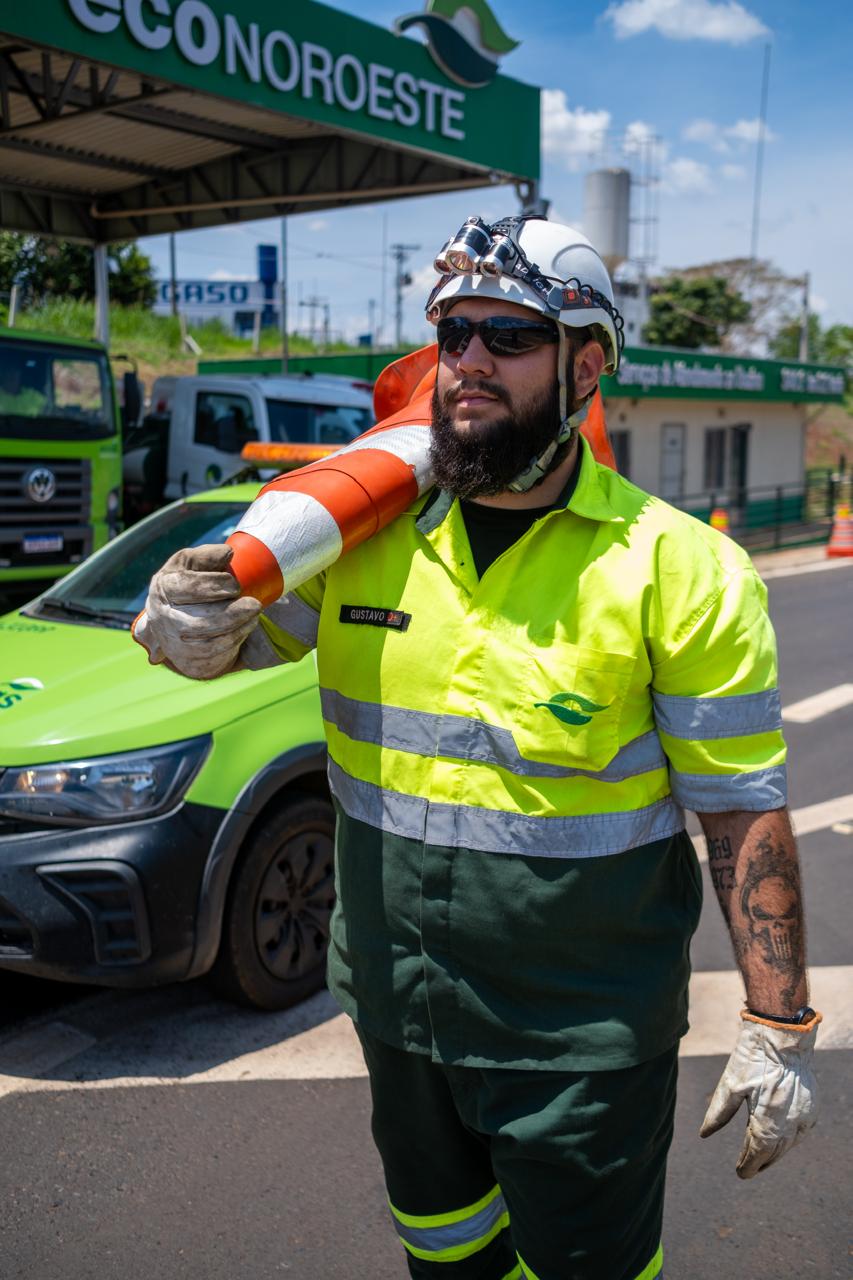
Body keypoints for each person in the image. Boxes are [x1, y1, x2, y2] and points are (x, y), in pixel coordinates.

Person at [139, 216, 820, 1280]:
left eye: (508, 334)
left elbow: (738, 809)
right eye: (452, 332)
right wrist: (191, 624)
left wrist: (779, 1018)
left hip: (579, 1039)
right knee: (446, 1257)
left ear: (586, 363)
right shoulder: (364, 539)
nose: (467, 360)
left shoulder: (682, 569)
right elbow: (229, 642)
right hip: (396, 1007)